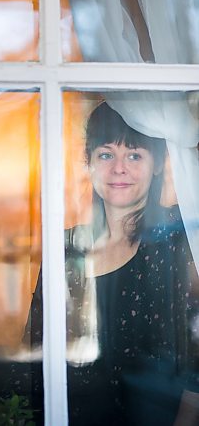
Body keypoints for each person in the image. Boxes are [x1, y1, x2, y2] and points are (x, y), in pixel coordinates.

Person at [26, 101, 199, 425]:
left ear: (158, 163)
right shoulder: (65, 247)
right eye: (106, 154)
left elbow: (197, 360)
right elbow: (38, 357)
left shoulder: (180, 238)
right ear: (89, 162)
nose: (119, 168)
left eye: (134, 155)